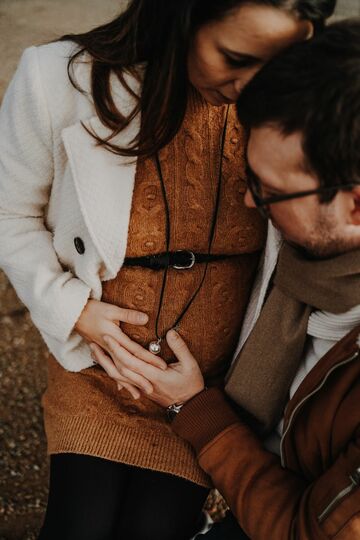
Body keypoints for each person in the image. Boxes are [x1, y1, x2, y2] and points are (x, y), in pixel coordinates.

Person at [0, 1, 336, 539]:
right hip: (94, 367)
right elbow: (8, 211)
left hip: (208, 386)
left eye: (274, 64)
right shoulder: (56, 78)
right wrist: (73, 309)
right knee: (77, 527)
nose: (251, 86)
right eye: (234, 56)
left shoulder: (295, 111)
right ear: (185, 15)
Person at [91, 19, 360, 539]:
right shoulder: (309, 236)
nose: (246, 203)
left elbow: (302, 531)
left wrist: (197, 411)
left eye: (270, 192)